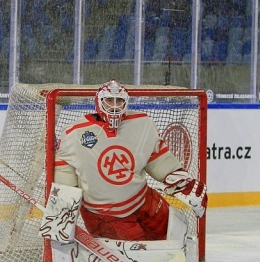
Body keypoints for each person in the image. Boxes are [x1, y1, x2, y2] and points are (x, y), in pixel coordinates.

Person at [53, 79, 207, 242]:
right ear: (99, 102)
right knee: (139, 252)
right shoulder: (74, 133)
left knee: (175, 232)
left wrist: (180, 181)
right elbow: (64, 173)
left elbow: (158, 158)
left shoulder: (142, 123)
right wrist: (63, 209)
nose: (114, 106)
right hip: (104, 215)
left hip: (144, 200)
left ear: (125, 102)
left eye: (119, 101)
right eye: (109, 100)